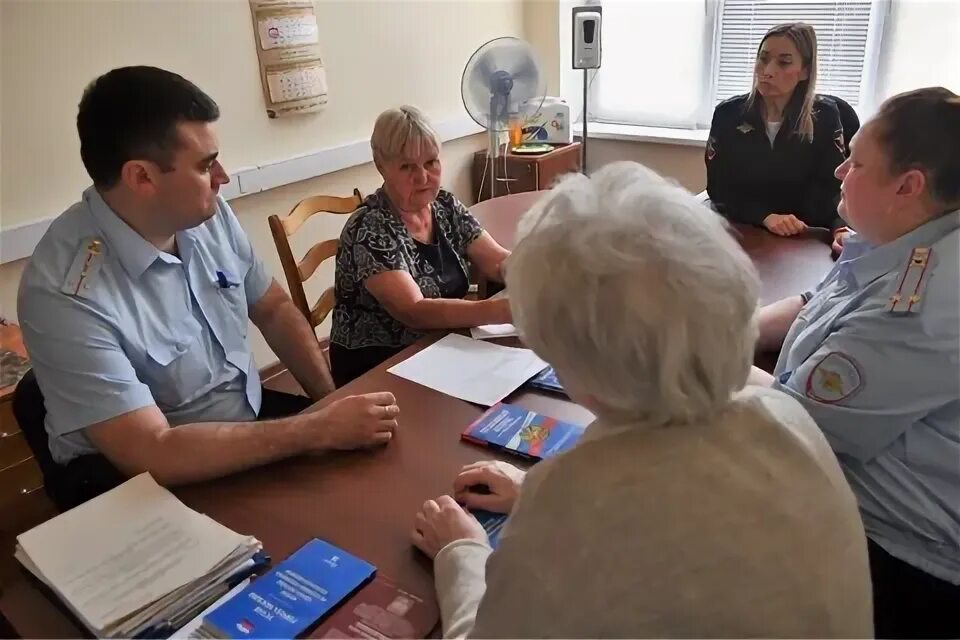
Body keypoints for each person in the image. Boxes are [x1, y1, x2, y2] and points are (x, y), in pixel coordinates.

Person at [410, 162, 873, 638]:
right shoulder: (788, 417)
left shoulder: (572, 499)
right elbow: (693, 527)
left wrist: (461, 553)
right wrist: (536, 499)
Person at [17, 67, 400, 509]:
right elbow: (153, 451)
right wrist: (316, 429)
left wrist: (328, 403)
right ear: (142, 177)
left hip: (238, 423)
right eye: (204, 164)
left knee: (375, 482)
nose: (223, 176)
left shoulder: (206, 214)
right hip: (133, 480)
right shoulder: (64, 292)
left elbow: (273, 308)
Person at [750, 87, 960, 639]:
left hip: (898, 555)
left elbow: (792, 424)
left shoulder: (925, 302)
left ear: (908, 186)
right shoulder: (903, 235)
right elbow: (817, 300)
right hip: (841, 485)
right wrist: (738, 328)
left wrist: (685, 341)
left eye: (859, 161)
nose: (841, 168)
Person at [330, 106, 511, 386]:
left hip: (439, 345)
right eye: (407, 166)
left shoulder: (445, 206)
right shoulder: (371, 227)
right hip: (380, 367)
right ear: (381, 166)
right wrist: (499, 310)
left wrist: (538, 275)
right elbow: (414, 310)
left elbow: (497, 261)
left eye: (431, 162)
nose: (423, 177)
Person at [705, 22, 853, 250]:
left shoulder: (825, 116)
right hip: (744, 229)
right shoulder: (728, 114)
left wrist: (840, 227)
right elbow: (719, 188)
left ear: (805, 71)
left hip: (803, 235)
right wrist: (765, 216)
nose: (768, 71)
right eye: (763, 59)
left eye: (784, 62)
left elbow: (834, 187)